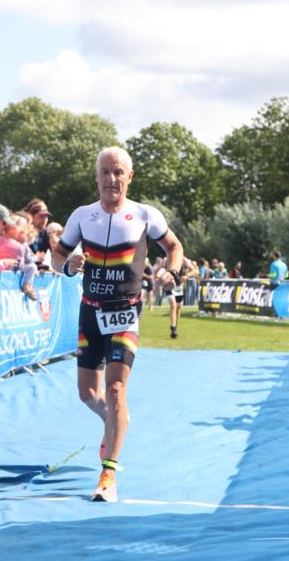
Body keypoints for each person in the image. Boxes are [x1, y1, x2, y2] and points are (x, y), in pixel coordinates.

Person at [51, 146, 183, 502]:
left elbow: (174, 246)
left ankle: (108, 475)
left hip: (125, 314)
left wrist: (171, 271)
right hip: (90, 313)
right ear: (96, 177)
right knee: (88, 394)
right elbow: (57, 254)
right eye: (106, 172)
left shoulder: (144, 214)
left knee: (115, 389)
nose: (112, 179)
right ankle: (116, 422)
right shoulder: (82, 215)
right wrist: (67, 265)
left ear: (130, 176)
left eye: (119, 172)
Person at [159, 255, 198, 339]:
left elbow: (195, 271)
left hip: (179, 286)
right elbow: (159, 270)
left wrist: (187, 275)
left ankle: (175, 326)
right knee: (173, 305)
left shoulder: (184, 260)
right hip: (169, 284)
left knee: (178, 307)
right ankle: (173, 328)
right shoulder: (166, 259)